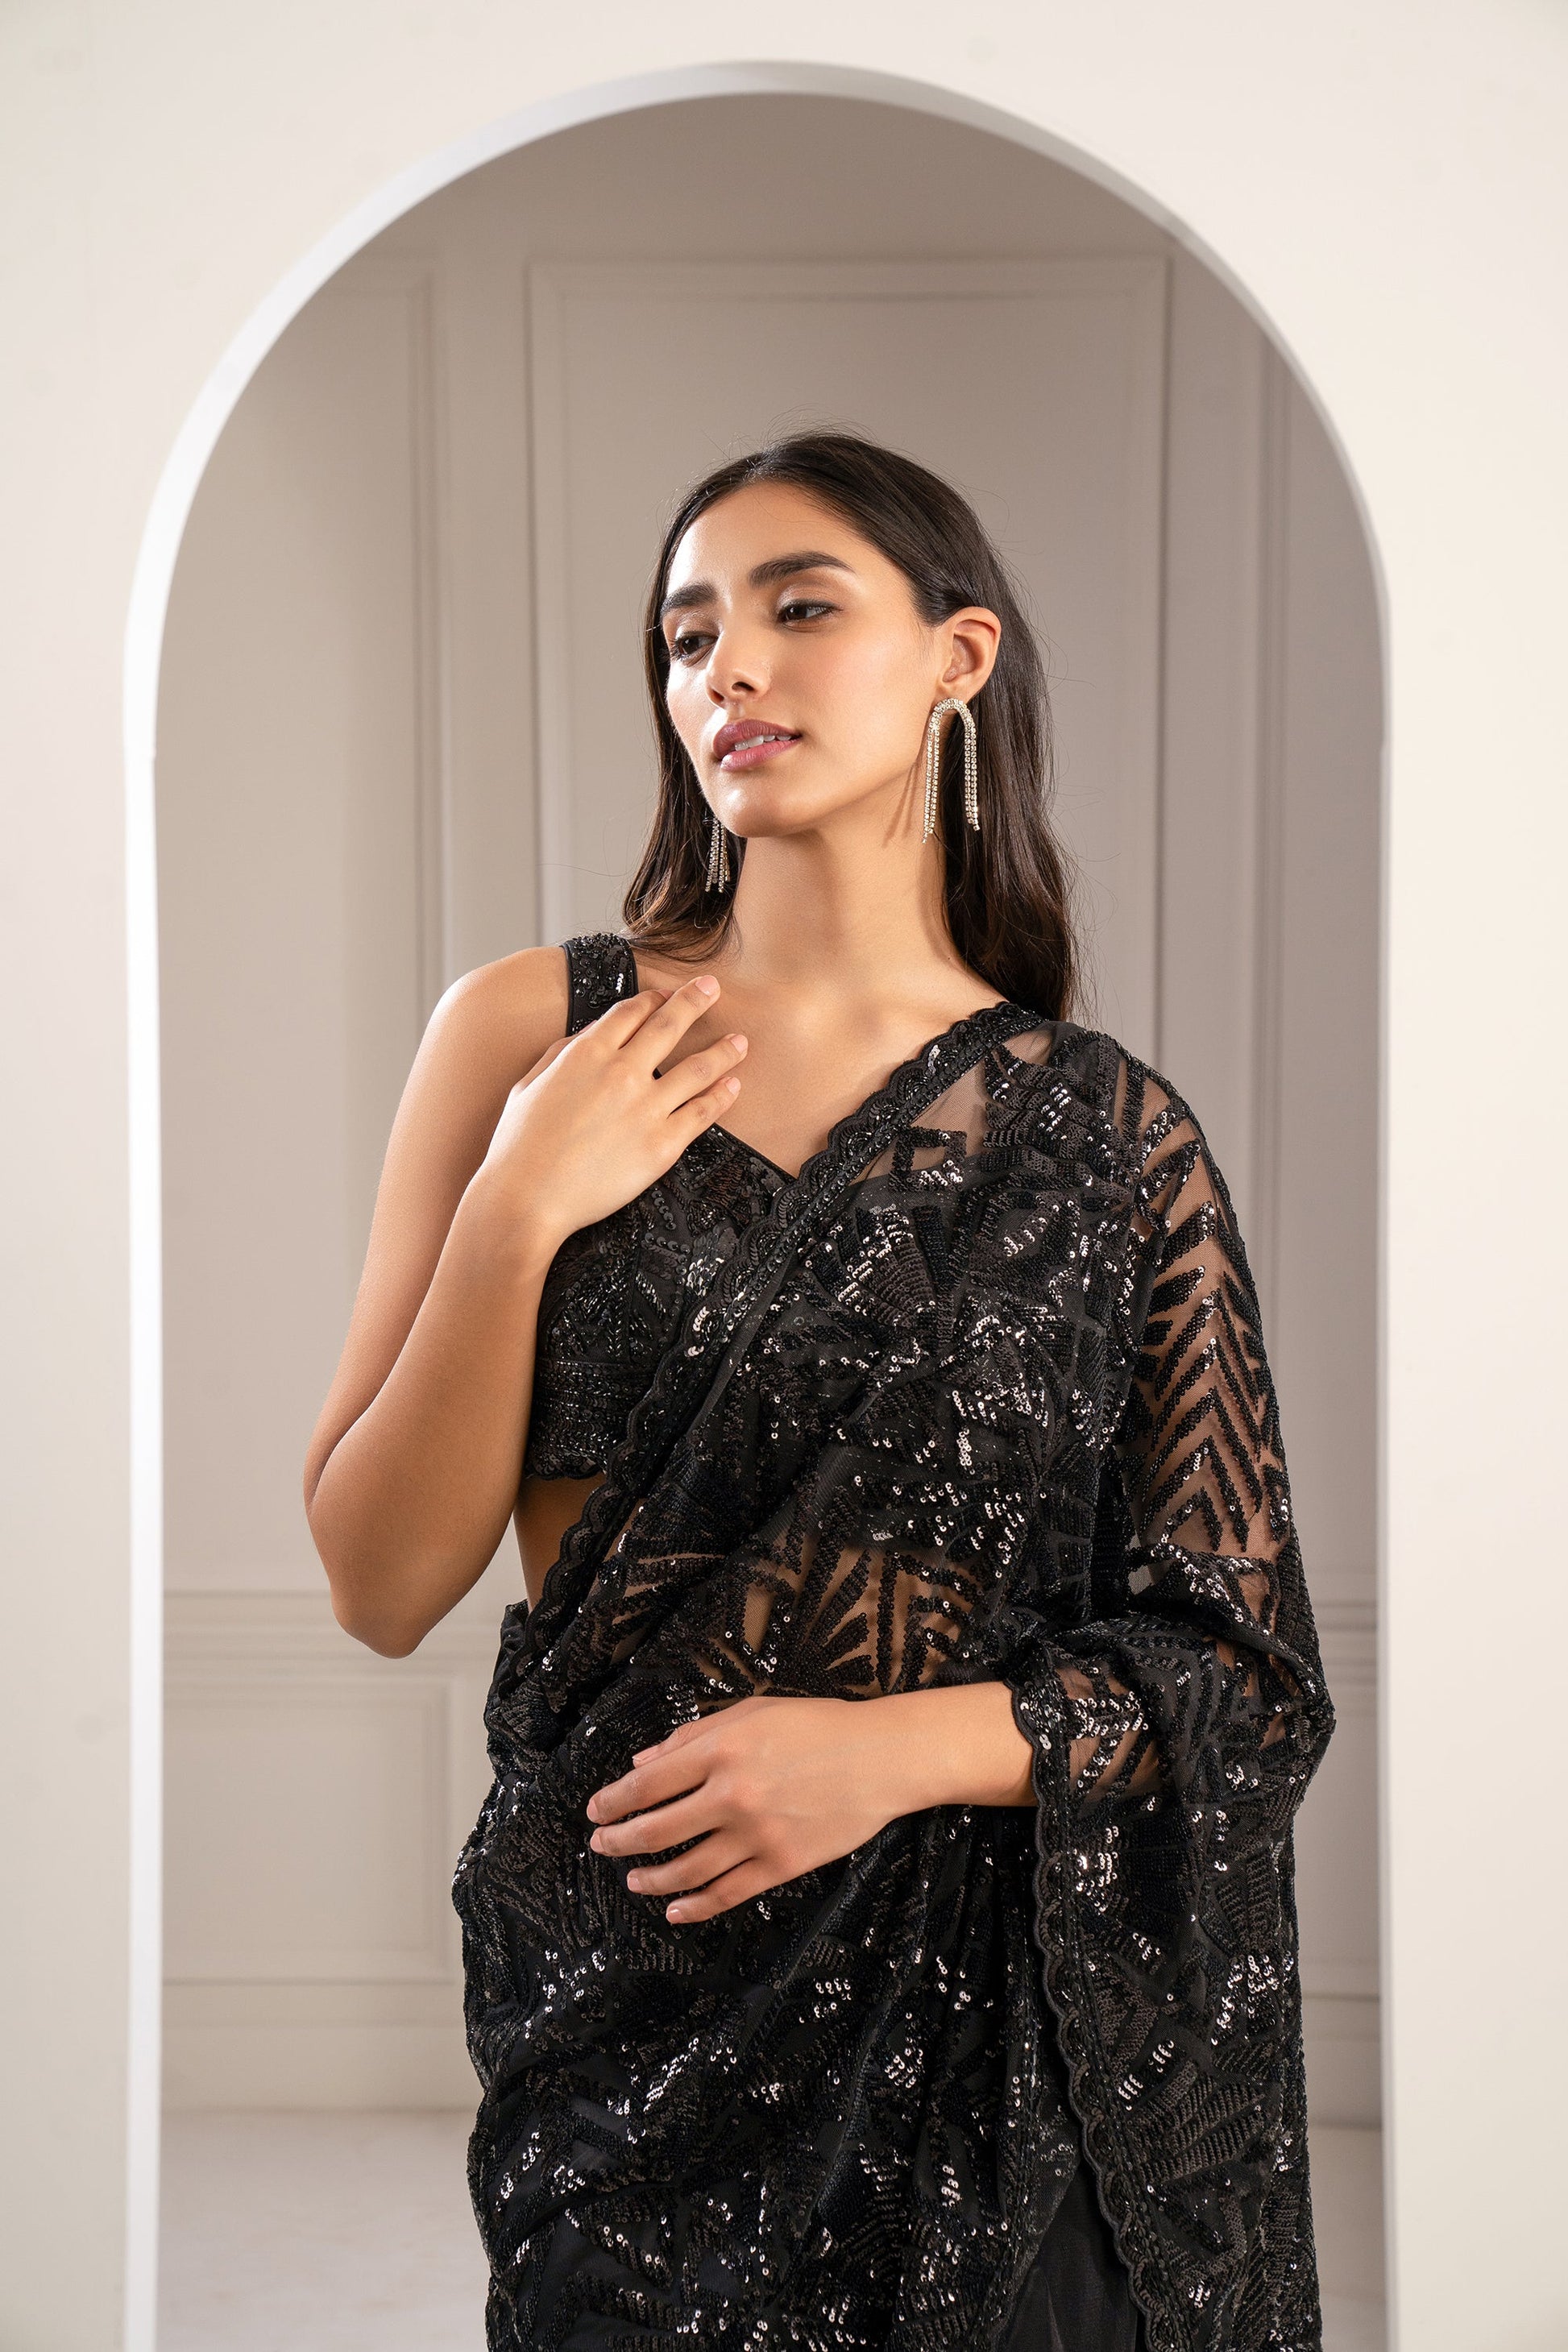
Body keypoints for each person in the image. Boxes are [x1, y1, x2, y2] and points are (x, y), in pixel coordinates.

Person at [304, 432, 1334, 2352]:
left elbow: (1244, 1669)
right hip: (639, 2001)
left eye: (797, 607)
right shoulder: (532, 1033)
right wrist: (516, 1205)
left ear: (958, 657)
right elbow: (376, 1579)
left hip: (999, 2045)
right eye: (688, 631)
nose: (729, 668)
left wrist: (891, 1750)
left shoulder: (1108, 1139)